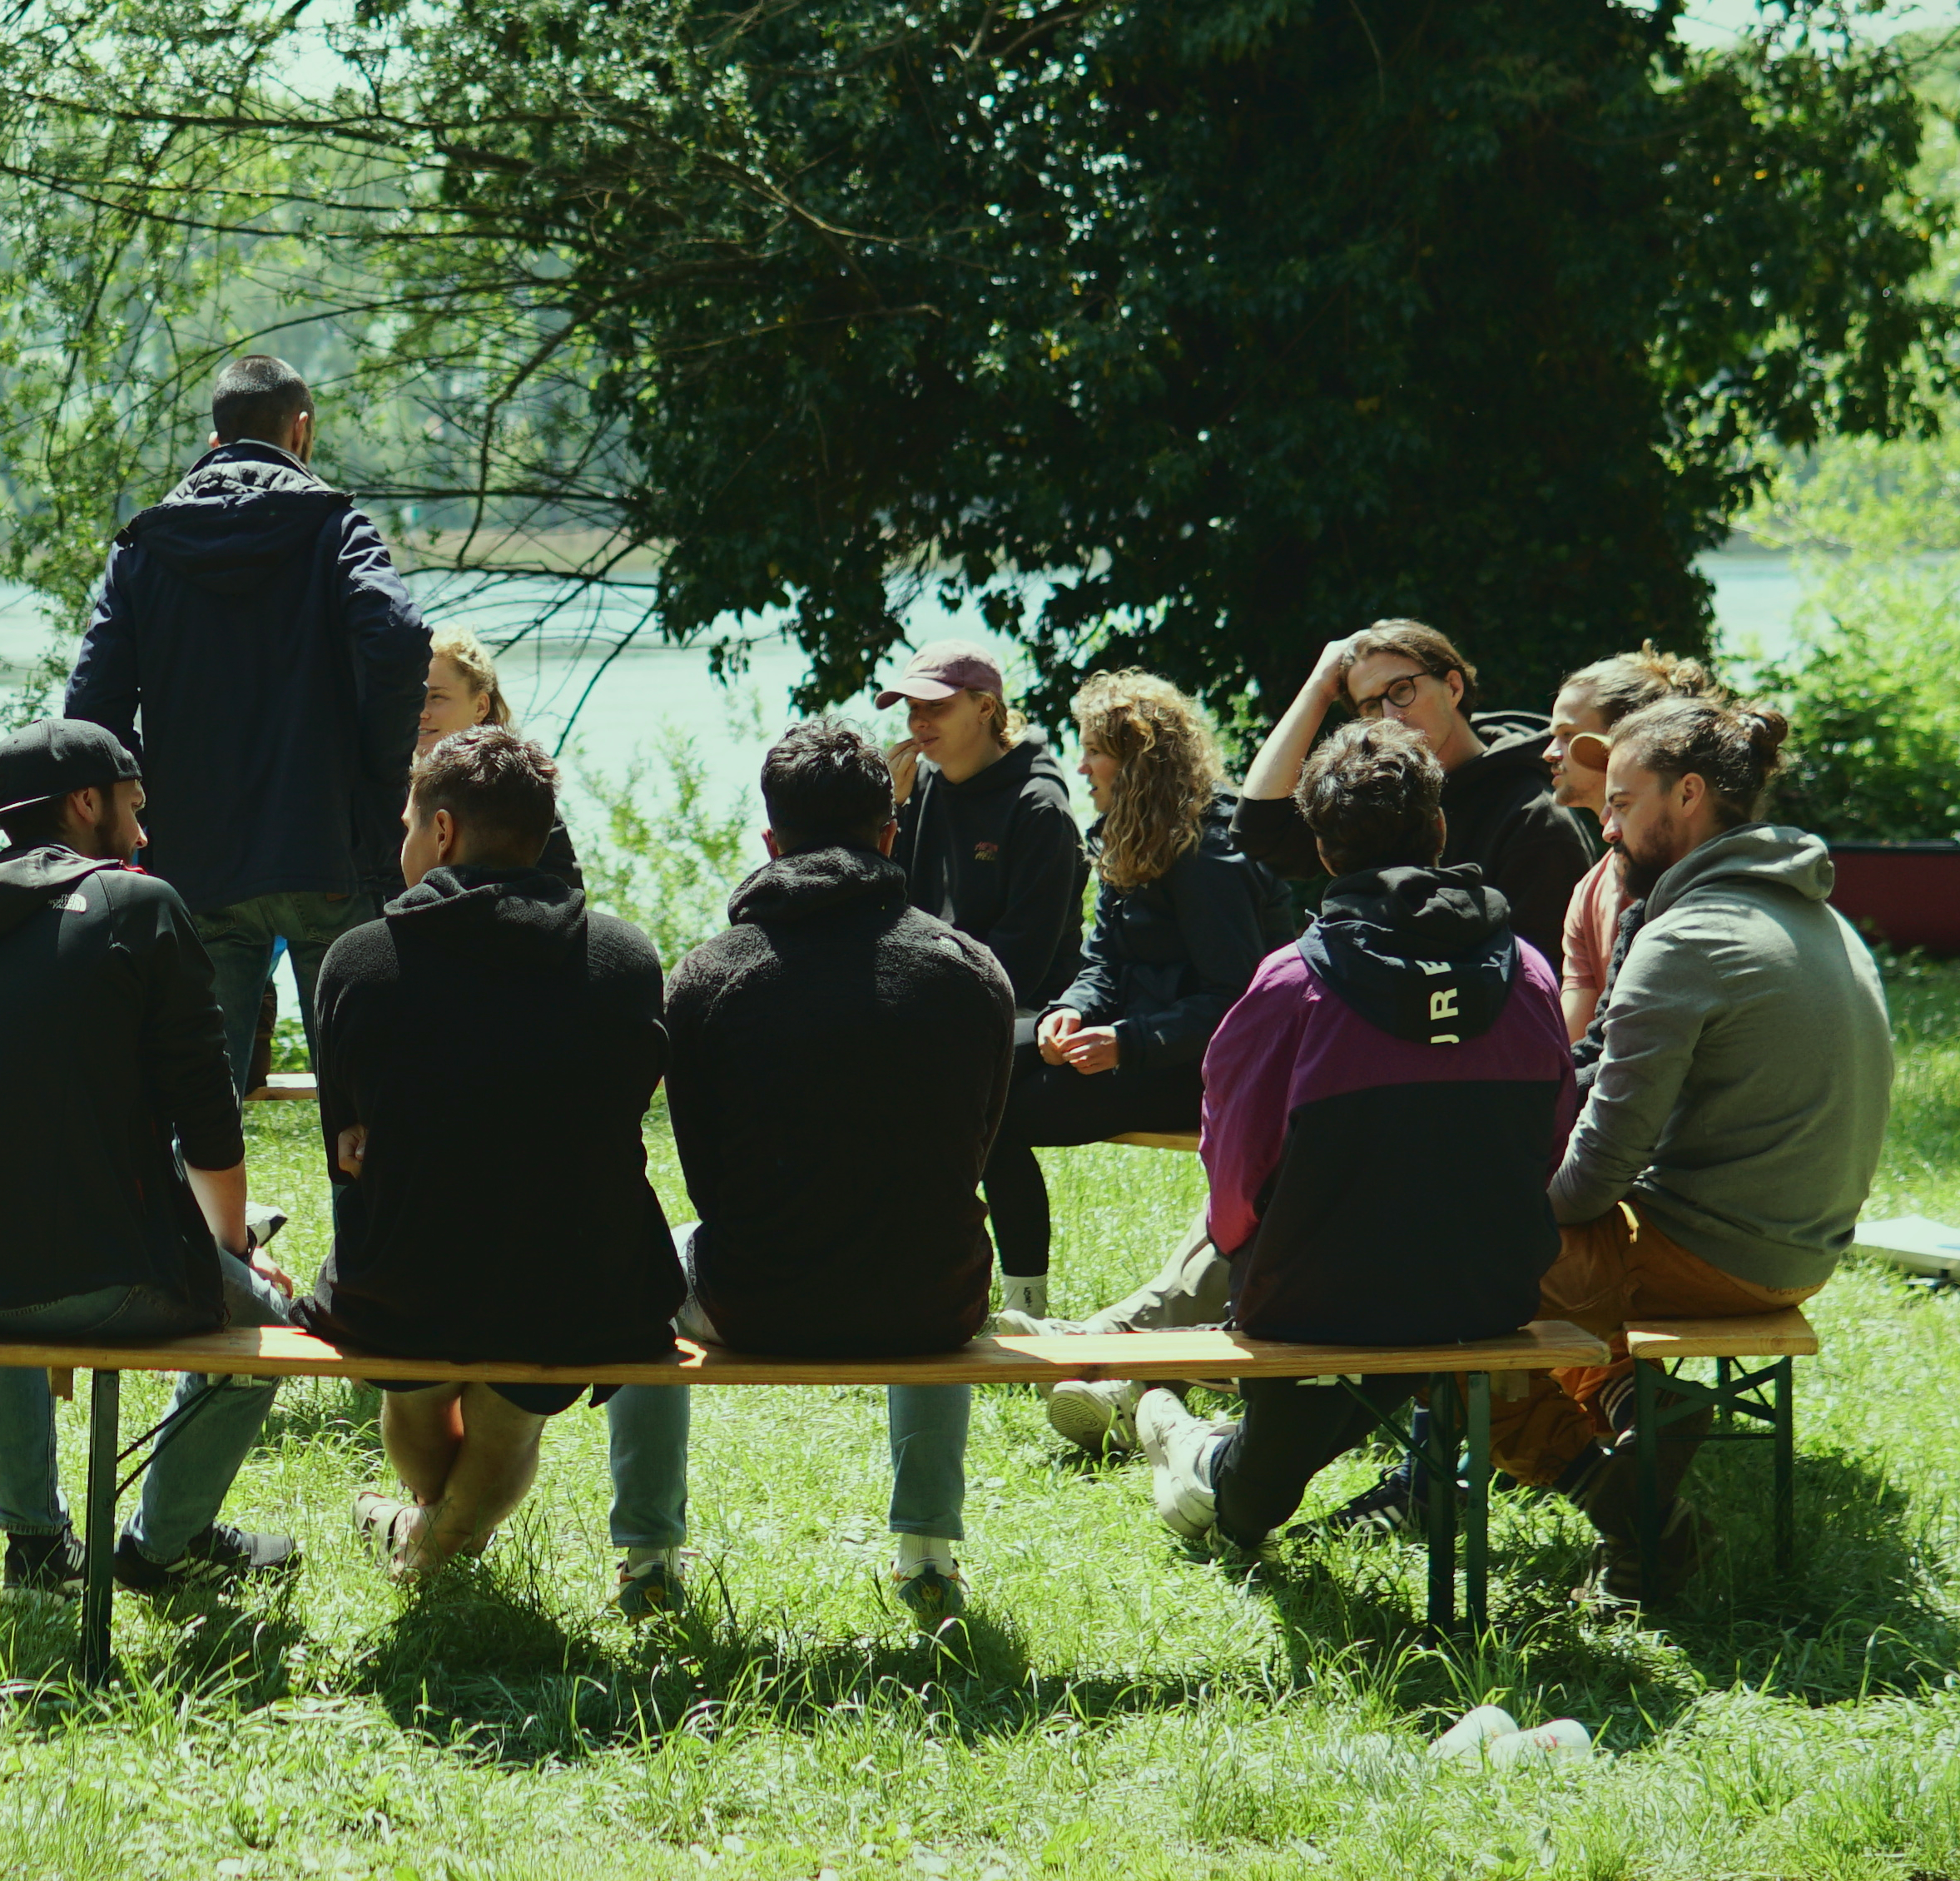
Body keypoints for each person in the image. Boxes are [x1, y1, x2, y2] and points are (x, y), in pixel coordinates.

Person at [0, 717, 304, 1600]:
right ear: (86, 802)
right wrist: (233, 1251)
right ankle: (162, 1544)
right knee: (264, 1330)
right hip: (90, 1276)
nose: (141, 835)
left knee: (11, 1264)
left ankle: (33, 1544)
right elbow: (207, 1115)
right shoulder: (136, 906)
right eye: (132, 810)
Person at [1124, 720, 1577, 1556]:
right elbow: (1550, 1140)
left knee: (1246, 1512)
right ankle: (1198, 1444)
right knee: (1263, 1483)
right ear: (1439, 832)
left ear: (1324, 854)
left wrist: (1241, 1252)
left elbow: (1232, 1175)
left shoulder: (1288, 983)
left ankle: (1179, 1436)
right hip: (1487, 1290)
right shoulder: (1527, 970)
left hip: (1316, 1298)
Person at [1484, 696, 1895, 1599]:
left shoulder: (1686, 938)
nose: (1605, 826)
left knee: (1449, 1273)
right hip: (1799, 1247)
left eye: (1622, 803)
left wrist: (1496, 1204)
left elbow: (1593, 1181)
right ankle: (1635, 1409)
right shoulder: (1815, 917)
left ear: (1688, 797)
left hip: (1715, 1255)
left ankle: (1621, 1501)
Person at [634, 720, 1014, 1628]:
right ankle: (928, 1556)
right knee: (932, 1228)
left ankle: (644, 1558)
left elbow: (702, 1180)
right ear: (889, 835)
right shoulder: (971, 973)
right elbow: (969, 1154)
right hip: (936, 1301)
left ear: (769, 844)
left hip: (751, 1301)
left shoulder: (705, 977)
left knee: (641, 1272)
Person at [300, 727, 677, 1577]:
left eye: (405, 826)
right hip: (580, 1282)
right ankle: (432, 1540)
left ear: (439, 833)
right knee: (511, 1408)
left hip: (404, 1281)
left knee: (413, 1376)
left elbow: (344, 1149)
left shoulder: (359, 963)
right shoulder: (623, 958)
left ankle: (419, 1540)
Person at [65, 353, 433, 1096]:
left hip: (198, 865)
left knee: (199, 1107)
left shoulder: (144, 548)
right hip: (331, 851)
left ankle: (200, 1219)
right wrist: (377, 772)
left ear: (214, 440)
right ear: (302, 430)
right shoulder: (335, 526)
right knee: (366, 1104)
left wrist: (150, 799)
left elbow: (89, 713)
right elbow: (397, 638)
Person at [993, 672, 1283, 1319]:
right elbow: (1104, 962)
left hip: (1201, 1070)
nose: (1081, 765)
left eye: (1094, 749)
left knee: (993, 1113)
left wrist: (1128, 1041)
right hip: (1136, 1043)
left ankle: (1026, 1309)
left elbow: (1242, 1001)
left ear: (1138, 760)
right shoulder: (1128, 832)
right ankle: (1018, 1300)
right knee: (978, 1060)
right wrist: (1072, 1009)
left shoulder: (1209, 851)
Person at [1238, 620, 1596, 958]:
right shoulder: (1376, 797)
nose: (1391, 716)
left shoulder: (1535, 821)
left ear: (1453, 687)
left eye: (1401, 690)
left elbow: (1543, 985)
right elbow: (1259, 833)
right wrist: (1317, 689)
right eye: (1371, 706)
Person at [881, 640, 1090, 1024]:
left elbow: (1018, 967)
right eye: (912, 709)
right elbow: (882, 904)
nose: (918, 722)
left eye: (936, 706)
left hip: (1023, 1013)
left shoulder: (1038, 807)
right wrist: (889, 812)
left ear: (985, 708)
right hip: (931, 992)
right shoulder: (917, 785)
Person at [1542, 647, 1724, 1040]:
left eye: (1568, 736)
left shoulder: (1699, 869)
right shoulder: (1589, 889)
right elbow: (1572, 1043)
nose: (1550, 753)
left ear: (1629, 737)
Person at [414, 628, 583, 881]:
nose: (421, 712)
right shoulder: (385, 790)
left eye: (437, 697)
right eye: (414, 697)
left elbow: (564, 894)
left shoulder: (518, 794)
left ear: (480, 706)